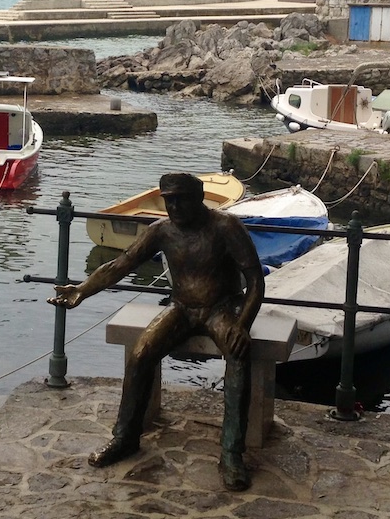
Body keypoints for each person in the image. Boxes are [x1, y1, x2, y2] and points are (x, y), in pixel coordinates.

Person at [48, 172, 265, 490]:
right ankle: (125, 438)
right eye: (168, 200)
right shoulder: (161, 231)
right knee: (140, 353)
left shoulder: (226, 227)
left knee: (238, 354)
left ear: (198, 197)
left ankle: (232, 454)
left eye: (180, 199)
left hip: (221, 308)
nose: (173, 207)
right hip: (181, 308)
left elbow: (256, 281)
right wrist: (82, 289)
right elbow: (119, 265)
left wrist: (242, 325)